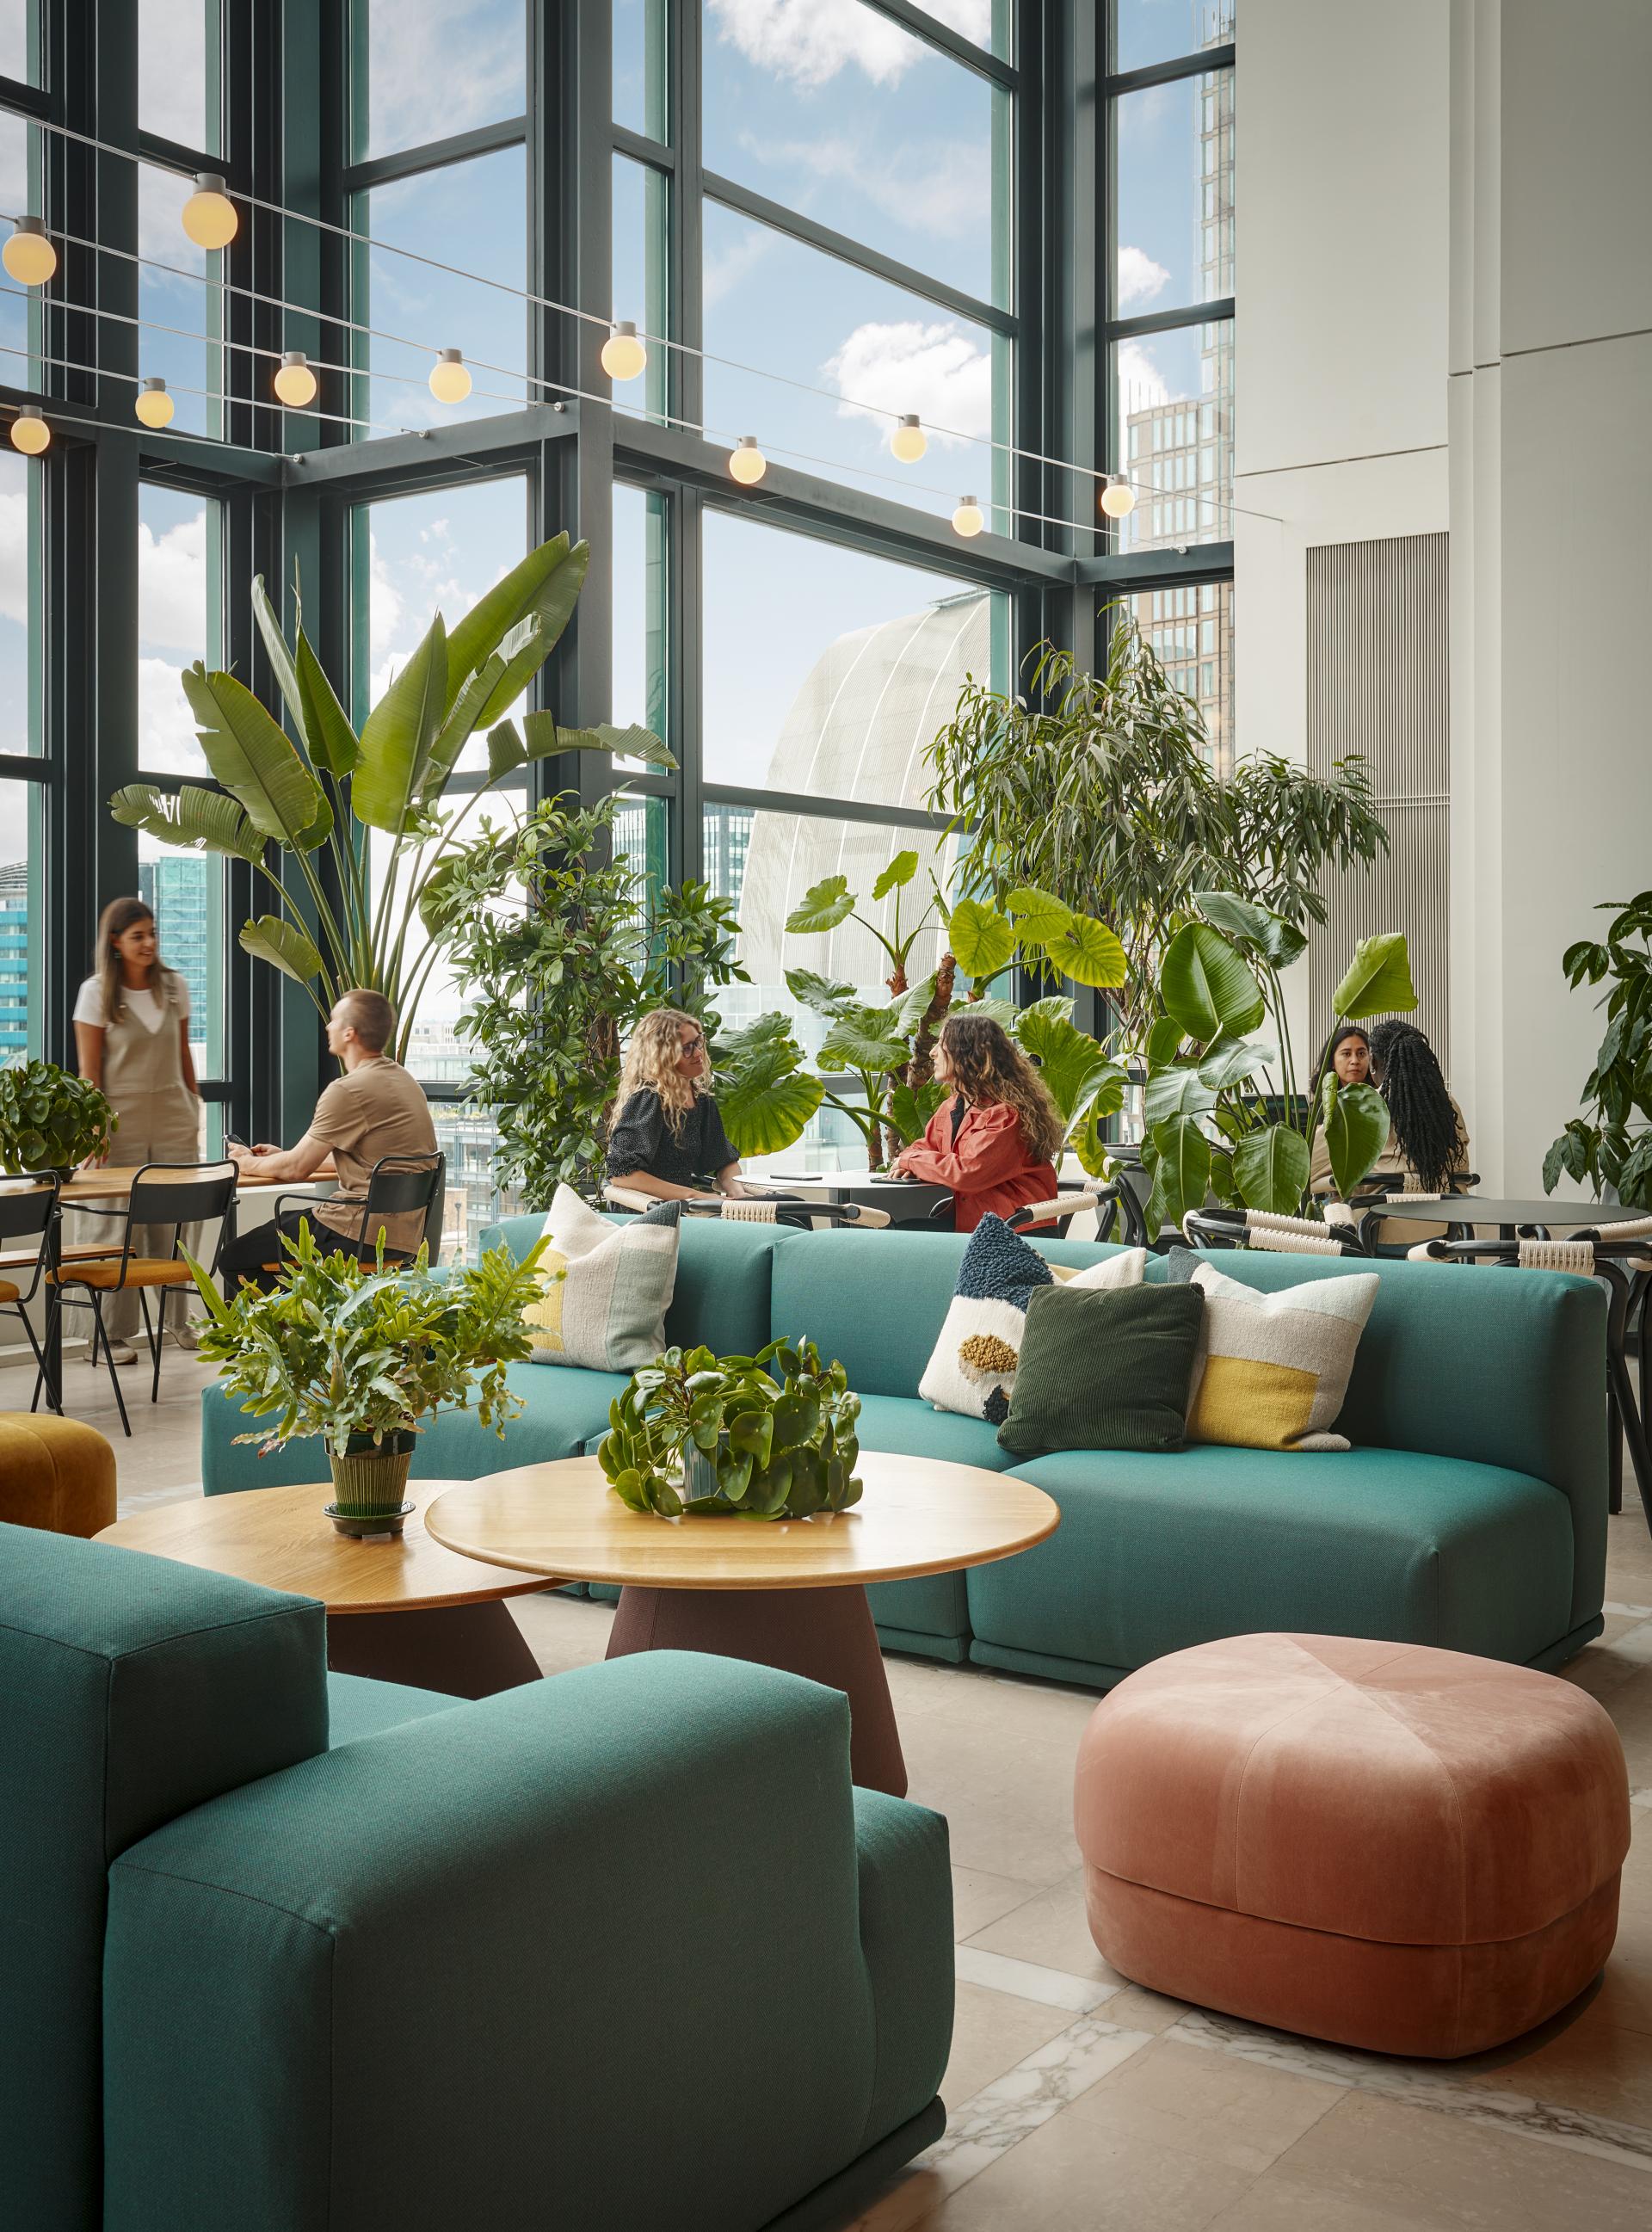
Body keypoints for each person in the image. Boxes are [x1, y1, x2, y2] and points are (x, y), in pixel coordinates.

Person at [219, 989, 439, 1287]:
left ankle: (306, 1326)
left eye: (334, 1020)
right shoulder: (404, 1081)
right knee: (289, 1224)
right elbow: (375, 1166)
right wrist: (281, 1156)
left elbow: (296, 1169)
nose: (327, 1026)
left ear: (350, 1033)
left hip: (356, 1230)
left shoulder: (348, 1089)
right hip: (404, 1236)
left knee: (235, 1258)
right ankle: (328, 1317)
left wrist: (246, 1162)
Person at [72, 897, 202, 1364]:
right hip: (116, 1119)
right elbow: (89, 1073)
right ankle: (107, 1335)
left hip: (173, 1114)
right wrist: (95, 1128)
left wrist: (194, 1104)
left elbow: (185, 1053)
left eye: (152, 933)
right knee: (113, 1221)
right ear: (115, 942)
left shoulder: (174, 986)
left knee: (176, 1221)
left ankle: (179, 1321)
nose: (149, 943)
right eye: (137, 936)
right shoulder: (96, 993)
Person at [890, 1014, 1063, 1233]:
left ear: (967, 1054)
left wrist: (911, 1160)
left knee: (903, 1240)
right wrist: (911, 1162)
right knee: (896, 1233)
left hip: (1014, 1233)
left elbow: (966, 1173)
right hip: (975, 1227)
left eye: (942, 1045)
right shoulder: (954, 1106)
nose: (933, 1053)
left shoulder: (1006, 1115)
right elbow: (923, 1147)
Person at [1310, 1017, 1470, 1196]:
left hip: (1376, 1220)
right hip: (1447, 1218)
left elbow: (1306, 1169)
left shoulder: (1359, 1108)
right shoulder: (1449, 1105)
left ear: (1373, 1063)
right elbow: (1463, 1171)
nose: (1355, 1061)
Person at [605, 1008, 746, 1204]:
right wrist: (696, 1196)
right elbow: (622, 1173)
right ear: (662, 1057)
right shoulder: (649, 1099)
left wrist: (738, 1194)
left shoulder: (701, 1100)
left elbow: (723, 1159)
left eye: (698, 1041)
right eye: (686, 1048)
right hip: (648, 1213)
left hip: (687, 1211)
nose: (698, 1052)